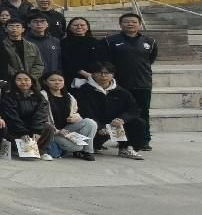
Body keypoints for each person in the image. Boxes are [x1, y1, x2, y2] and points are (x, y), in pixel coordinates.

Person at [103, 12, 157, 150]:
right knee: (117, 113)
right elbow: (106, 62)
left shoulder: (149, 42)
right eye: (126, 22)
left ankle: (143, 141)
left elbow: (150, 59)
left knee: (142, 112)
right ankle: (121, 141)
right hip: (118, 84)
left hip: (142, 83)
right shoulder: (110, 41)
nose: (130, 24)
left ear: (140, 24)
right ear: (120, 24)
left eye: (134, 22)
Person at [75, 63, 147, 159]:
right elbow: (85, 112)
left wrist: (122, 119)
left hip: (114, 125)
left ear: (112, 75)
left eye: (107, 73)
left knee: (138, 122)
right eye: (100, 73)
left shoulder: (122, 91)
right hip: (96, 127)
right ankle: (94, 145)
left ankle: (126, 148)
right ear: (93, 74)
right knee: (90, 125)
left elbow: (133, 110)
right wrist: (100, 127)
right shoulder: (84, 91)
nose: (103, 76)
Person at [42, 71, 98, 161]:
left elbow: (75, 112)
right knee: (76, 147)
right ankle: (67, 149)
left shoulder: (69, 97)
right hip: (52, 132)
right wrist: (57, 131)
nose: (57, 82)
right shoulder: (42, 96)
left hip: (67, 130)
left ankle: (87, 151)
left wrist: (76, 117)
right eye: (52, 80)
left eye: (60, 80)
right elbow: (41, 119)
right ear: (45, 82)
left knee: (90, 122)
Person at [0, 71, 55, 159]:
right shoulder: (8, 97)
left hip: (33, 126)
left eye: (26, 80)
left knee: (49, 128)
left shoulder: (39, 97)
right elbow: (11, 117)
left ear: (32, 82)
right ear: (14, 82)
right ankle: (17, 150)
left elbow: (41, 115)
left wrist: (36, 130)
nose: (23, 82)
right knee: (5, 128)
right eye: (19, 80)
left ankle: (41, 151)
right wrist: (22, 132)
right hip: (15, 127)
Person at [61, 17, 103, 87]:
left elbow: (101, 59)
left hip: (94, 77)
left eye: (82, 25)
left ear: (87, 27)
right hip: (72, 78)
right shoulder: (63, 43)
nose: (79, 27)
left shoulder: (96, 42)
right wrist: (84, 73)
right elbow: (66, 60)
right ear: (70, 28)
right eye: (75, 25)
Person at [2, 18, 44, 87]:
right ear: (6, 29)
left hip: (32, 83)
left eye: (18, 26)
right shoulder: (1, 46)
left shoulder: (32, 46)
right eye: (11, 26)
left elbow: (39, 64)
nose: (14, 28)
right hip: (11, 83)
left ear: (23, 29)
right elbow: (3, 65)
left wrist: (29, 78)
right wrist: (18, 77)